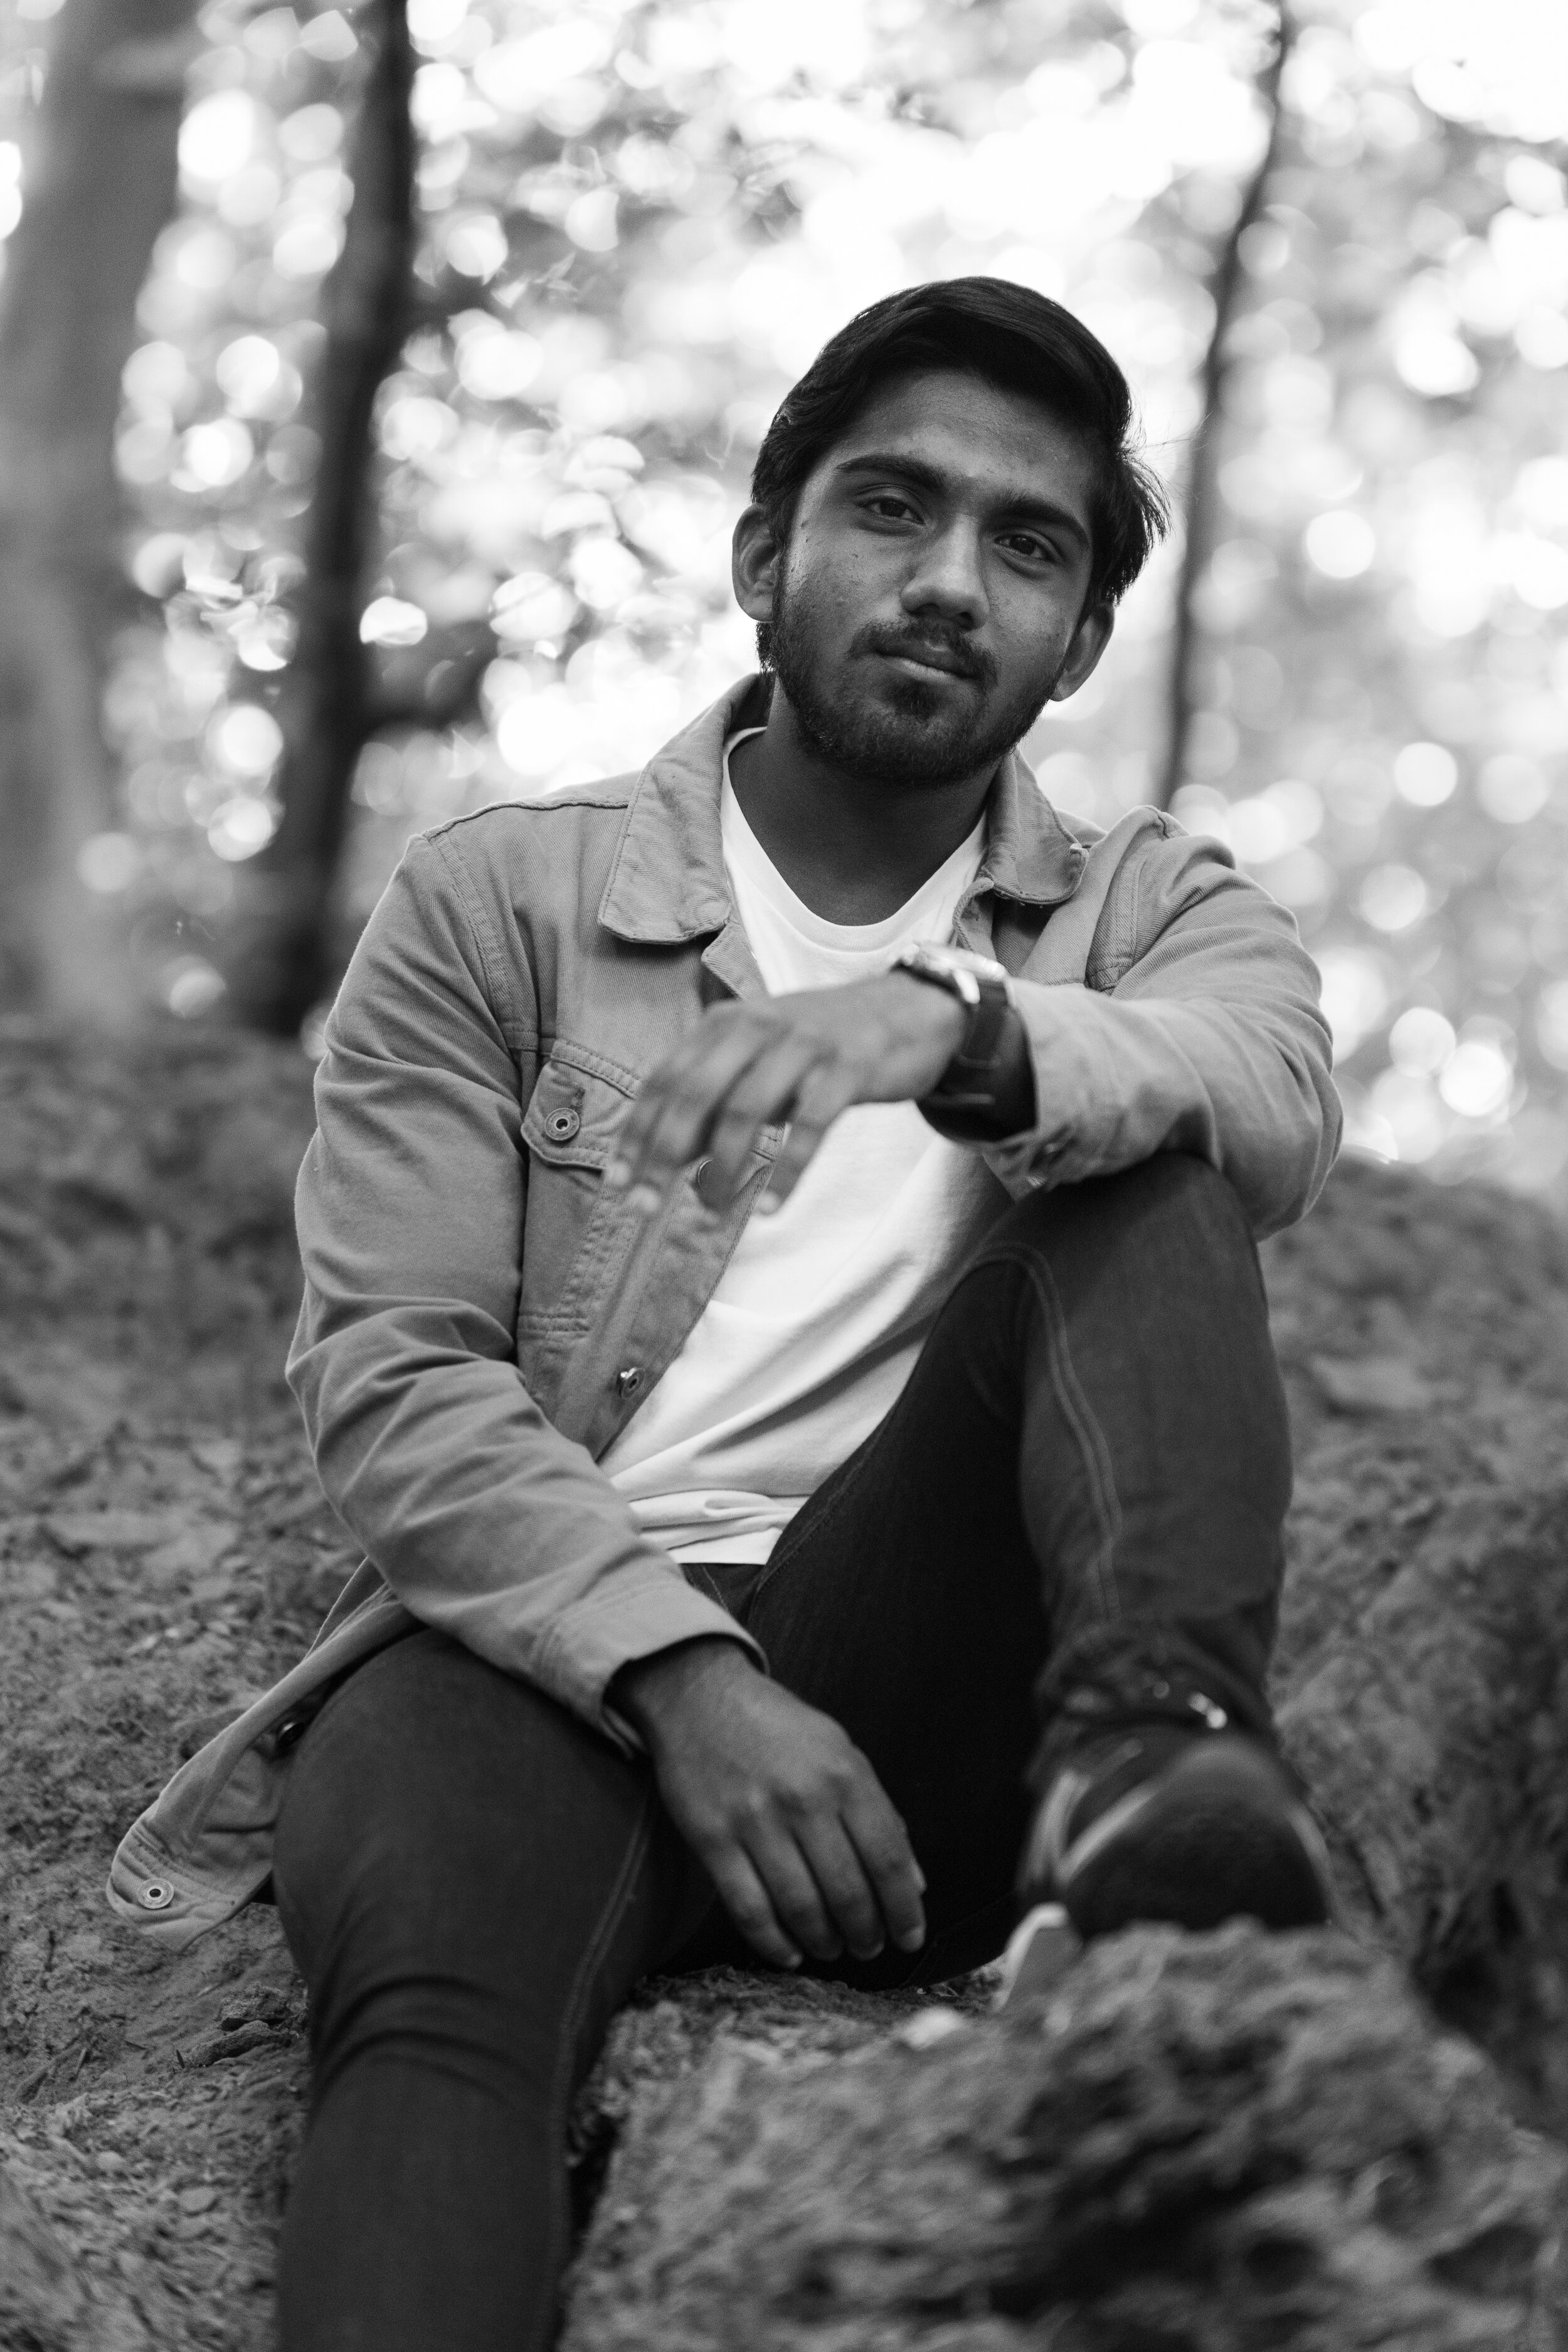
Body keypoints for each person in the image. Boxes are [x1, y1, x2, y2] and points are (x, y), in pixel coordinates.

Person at [107, 277, 1340, 2352]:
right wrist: (688, 1683)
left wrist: (954, 1030)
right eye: (892, 507)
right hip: (545, 1651)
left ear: (1077, 642)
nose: (947, 581)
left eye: (1026, 546)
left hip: (934, 1668)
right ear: (766, 553)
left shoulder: (1151, 912)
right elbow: (398, 1377)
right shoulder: (500, 901)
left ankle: (1152, 1794)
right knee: (426, 2022)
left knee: (1157, 1156)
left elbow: (1274, 1094)